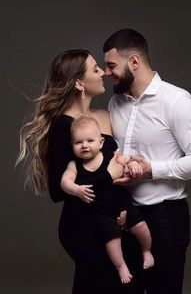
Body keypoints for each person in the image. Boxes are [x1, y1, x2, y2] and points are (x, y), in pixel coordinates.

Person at [102, 28, 191, 294]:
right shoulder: (115, 103)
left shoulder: (177, 101)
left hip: (166, 219)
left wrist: (151, 170)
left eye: (111, 66)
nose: (107, 73)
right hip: (124, 215)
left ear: (134, 62)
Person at [16, 49, 139, 294]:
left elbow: (116, 162)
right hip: (83, 227)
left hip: (113, 219)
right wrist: (109, 176)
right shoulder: (63, 126)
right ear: (79, 83)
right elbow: (57, 191)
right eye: (96, 69)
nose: (104, 72)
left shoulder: (105, 116)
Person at [61, 115, 154, 284]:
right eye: (78, 142)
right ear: (71, 145)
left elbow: (126, 162)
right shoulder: (74, 165)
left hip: (122, 204)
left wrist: (132, 165)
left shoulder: (110, 155)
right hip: (100, 212)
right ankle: (120, 266)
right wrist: (76, 189)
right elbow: (64, 182)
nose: (84, 146)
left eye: (90, 140)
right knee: (112, 238)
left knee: (141, 226)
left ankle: (146, 251)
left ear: (101, 142)